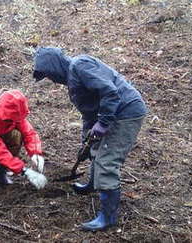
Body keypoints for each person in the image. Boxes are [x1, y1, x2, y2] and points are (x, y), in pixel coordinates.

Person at [33, 47, 147, 231]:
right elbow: (88, 113)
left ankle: (108, 217)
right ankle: (94, 184)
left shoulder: (81, 66)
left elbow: (110, 92)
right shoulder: (72, 82)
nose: (52, 80)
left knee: (107, 161)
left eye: (49, 74)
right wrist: (86, 141)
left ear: (54, 66)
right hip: (112, 113)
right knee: (95, 149)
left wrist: (103, 123)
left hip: (126, 112)